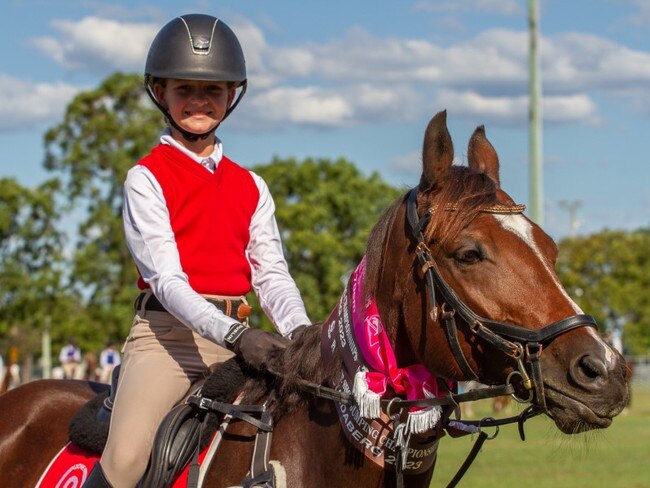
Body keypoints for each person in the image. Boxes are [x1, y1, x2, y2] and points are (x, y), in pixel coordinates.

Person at [82, 14, 311, 488]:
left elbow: (271, 276)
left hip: (240, 338)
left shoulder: (252, 185)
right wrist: (233, 335)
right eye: (185, 89)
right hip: (167, 343)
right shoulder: (146, 178)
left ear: (232, 96)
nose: (199, 102)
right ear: (160, 93)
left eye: (213, 90)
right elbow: (167, 280)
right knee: (125, 461)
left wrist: (302, 334)